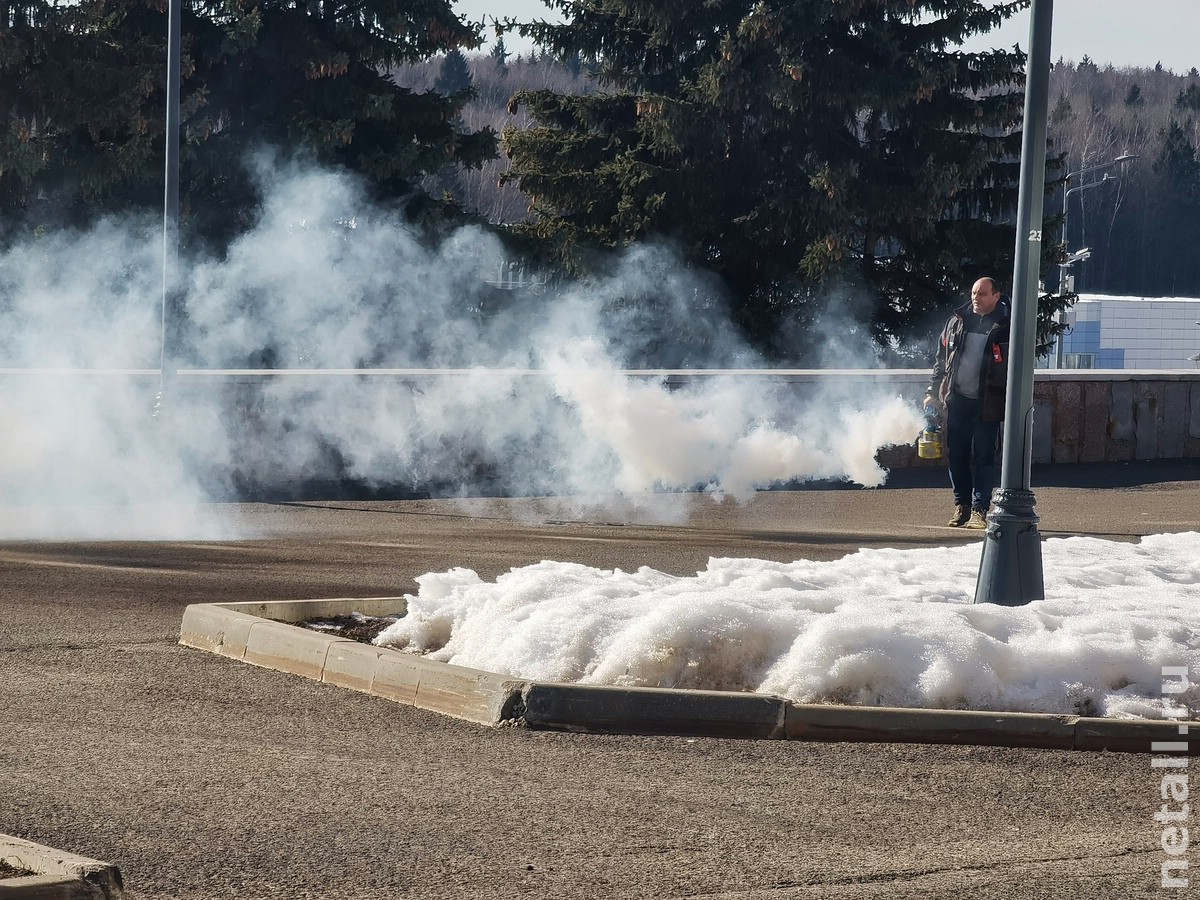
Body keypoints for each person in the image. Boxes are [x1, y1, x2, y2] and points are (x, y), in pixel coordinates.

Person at [923, 277, 1011, 529]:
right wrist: (932, 391)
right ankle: (961, 505)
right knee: (957, 456)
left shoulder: (1005, 325)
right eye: (974, 293)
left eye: (982, 294)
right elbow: (941, 361)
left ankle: (980, 509)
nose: (976, 298)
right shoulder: (956, 322)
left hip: (988, 402)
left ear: (996, 296)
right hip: (958, 399)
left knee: (984, 456)